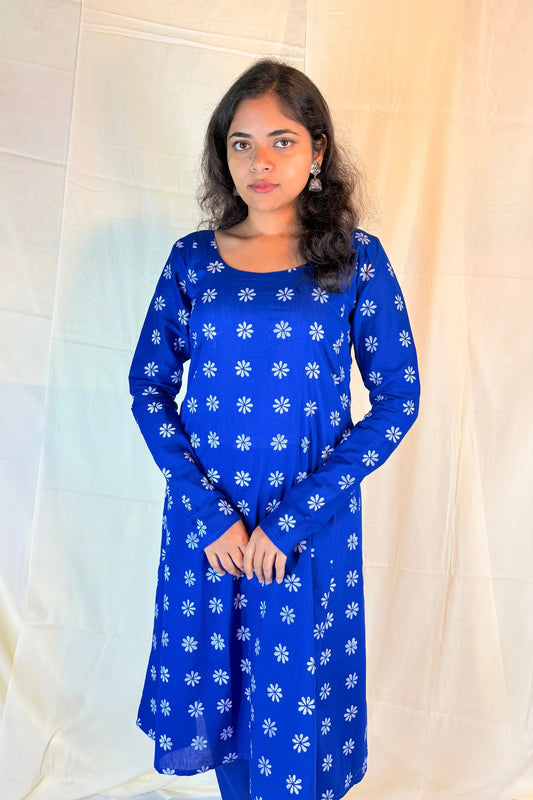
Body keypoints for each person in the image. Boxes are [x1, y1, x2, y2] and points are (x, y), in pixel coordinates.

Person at [128, 58, 419, 800]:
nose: (260, 162)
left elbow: (397, 397)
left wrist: (292, 519)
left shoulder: (355, 261)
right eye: (241, 143)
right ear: (221, 154)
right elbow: (149, 387)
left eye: (282, 141)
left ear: (317, 150)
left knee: (296, 703)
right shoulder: (193, 261)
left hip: (306, 528)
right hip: (210, 530)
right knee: (220, 696)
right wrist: (209, 515)